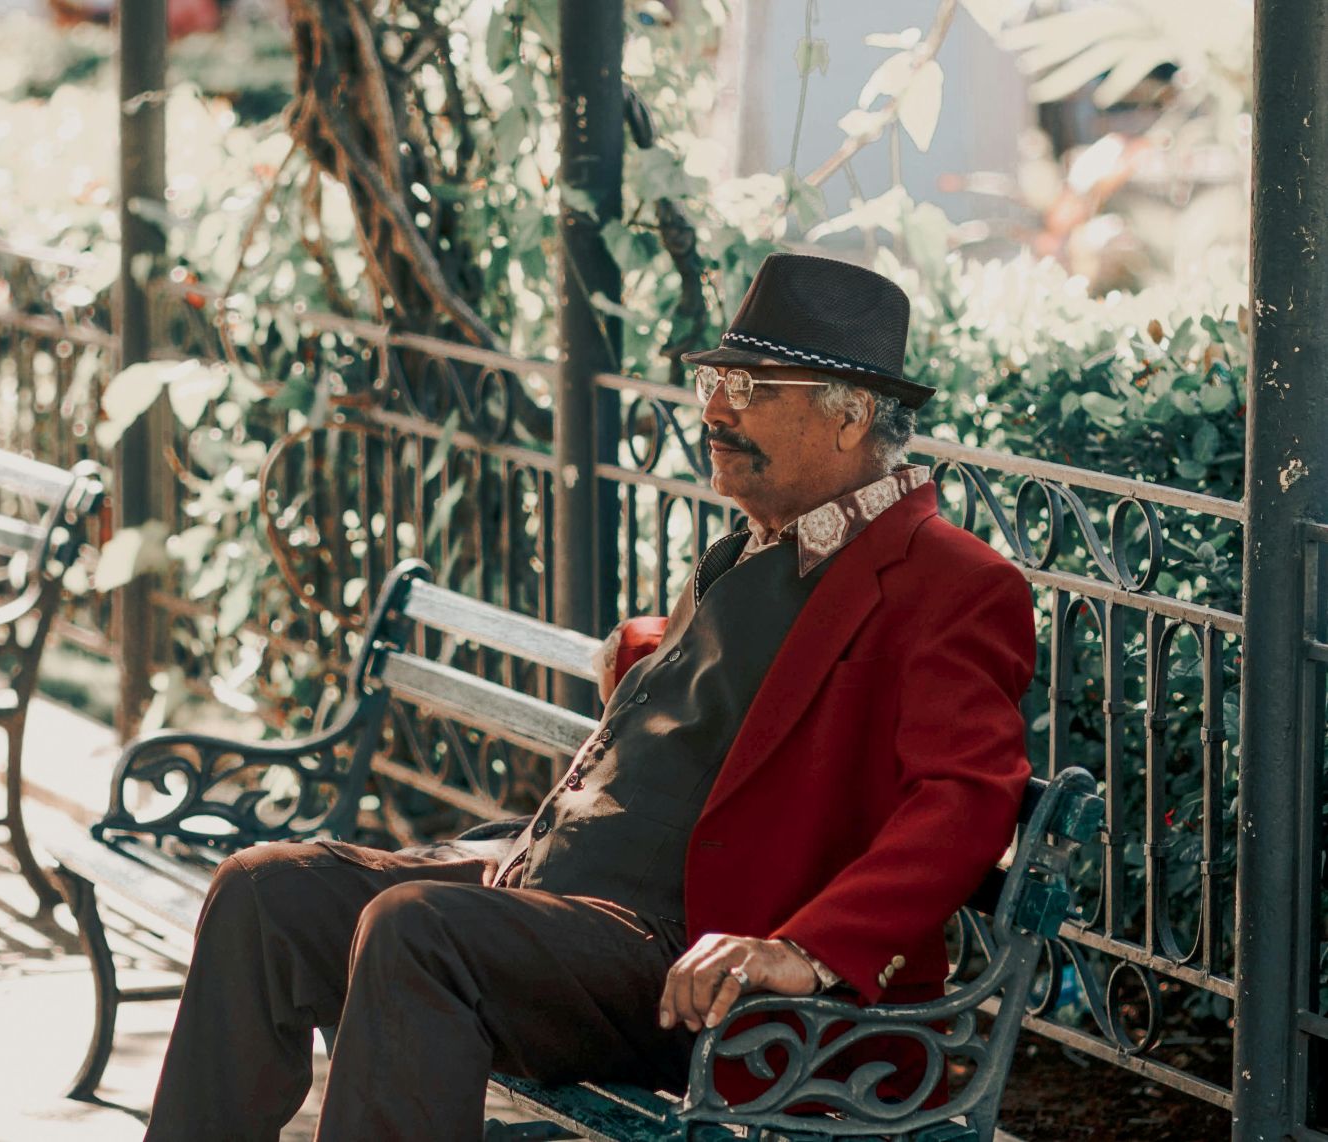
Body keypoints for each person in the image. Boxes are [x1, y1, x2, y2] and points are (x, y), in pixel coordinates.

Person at [143, 252, 1036, 1141]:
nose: (715, 409)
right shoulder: (760, 543)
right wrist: (651, 650)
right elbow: (753, 686)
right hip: (551, 897)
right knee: (263, 893)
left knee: (419, 930)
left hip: (699, 960)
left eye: (753, 385)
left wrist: (801, 949)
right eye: (716, 380)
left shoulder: (952, 582)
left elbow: (963, 800)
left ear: (849, 420)